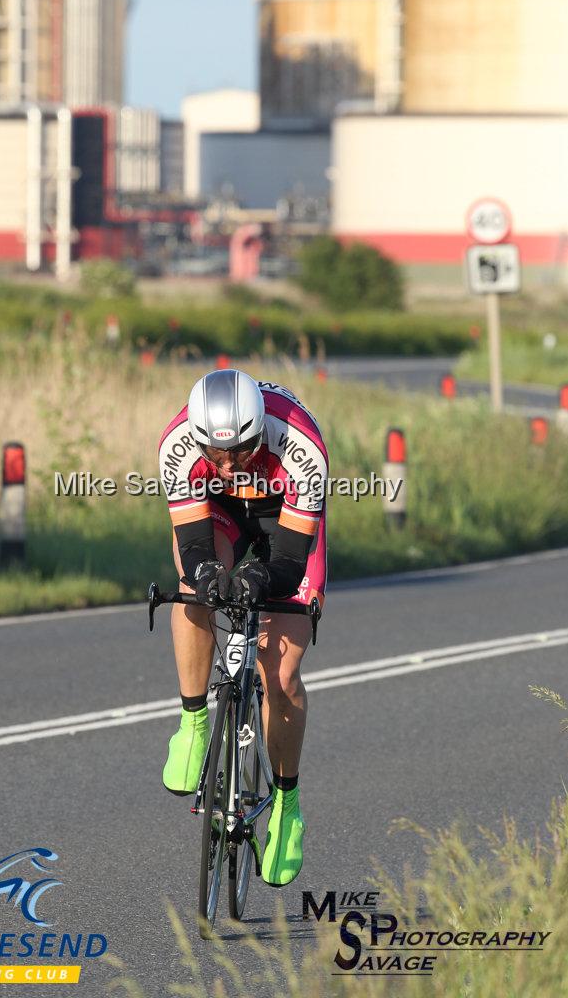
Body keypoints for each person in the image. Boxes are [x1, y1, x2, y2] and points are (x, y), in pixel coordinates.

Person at [157, 369, 328, 887]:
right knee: (194, 589)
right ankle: (192, 722)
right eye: (218, 454)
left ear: (261, 433)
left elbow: (292, 558)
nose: (229, 465)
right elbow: (193, 543)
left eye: (242, 452)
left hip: (286, 516)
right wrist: (209, 572)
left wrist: (262, 575)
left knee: (280, 672)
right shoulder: (178, 446)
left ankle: (286, 804)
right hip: (221, 515)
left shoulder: (302, 447)